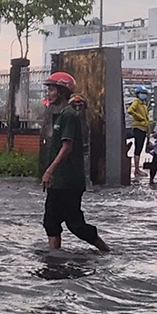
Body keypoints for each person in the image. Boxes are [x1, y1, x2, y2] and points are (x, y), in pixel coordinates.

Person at [40, 72, 109, 253]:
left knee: (76, 225)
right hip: (58, 181)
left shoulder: (69, 116)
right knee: (51, 222)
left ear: (62, 92)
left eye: (52, 89)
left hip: (69, 181)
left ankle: (106, 250)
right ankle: (54, 259)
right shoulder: (60, 115)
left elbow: (67, 147)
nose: (49, 93)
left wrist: (49, 171)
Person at [127, 86, 151, 177]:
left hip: (144, 128)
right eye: (142, 93)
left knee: (140, 149)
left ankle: (137, 169)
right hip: (138, 128)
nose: (143, 95)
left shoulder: (143, 104)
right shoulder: (136, 102)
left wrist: (148, 132)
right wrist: (139, 118)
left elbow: (147, 119)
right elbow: (130, 110)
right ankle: (137, 169)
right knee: (138, 149)